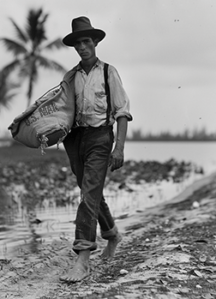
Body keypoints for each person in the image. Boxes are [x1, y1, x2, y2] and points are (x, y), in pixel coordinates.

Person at [60, 16, 133, 283]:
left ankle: (82, 260)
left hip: (101, 138)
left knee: (88, 196)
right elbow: (59, 111)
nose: (82, 47)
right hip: (75, 139)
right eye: (78, 43)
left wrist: (119, 147)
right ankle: (112, 233)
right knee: (89, 191)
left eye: (86, 41)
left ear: (96, 42)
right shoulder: (70, 77)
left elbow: (122, 112)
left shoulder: (108, 72)